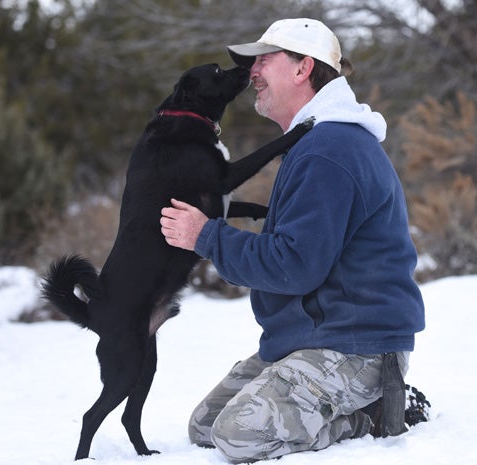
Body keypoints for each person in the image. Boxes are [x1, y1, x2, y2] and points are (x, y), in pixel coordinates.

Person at [160, 18, 425, 463]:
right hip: (312, 339)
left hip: (355, 347)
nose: (253, 72)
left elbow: (294, 265)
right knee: (205, 425)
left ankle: (379, 412)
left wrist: (205, 236)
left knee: (238, 435)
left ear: (304, 69)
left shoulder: (330, 149)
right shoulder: (316, 142)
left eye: (264, 59)